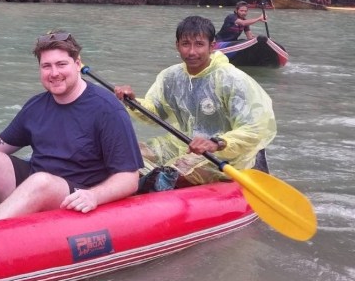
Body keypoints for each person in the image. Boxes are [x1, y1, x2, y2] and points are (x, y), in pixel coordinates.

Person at [0, 30, 143, 229]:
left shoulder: (107, 109)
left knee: (41, 182)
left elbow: (129, 178)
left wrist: (95, 196)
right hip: (36, 184)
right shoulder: (36, 106)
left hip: (76, 194)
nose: (54, 73)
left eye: (61, 64)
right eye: (47, 66)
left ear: (77, 64)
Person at [114, 16, 277, 192]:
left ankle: (147, 188)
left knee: (169, 175)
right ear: (177, 45)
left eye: (199, 44)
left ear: (212, 46)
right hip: (181, 144)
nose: (192, 52)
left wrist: (217, 143)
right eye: (186, 44)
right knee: (127, 154)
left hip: (222, 154)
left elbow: (255, 128)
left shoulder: (232, 79)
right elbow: (155, 114)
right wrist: (131, 101)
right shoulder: (171, 77)